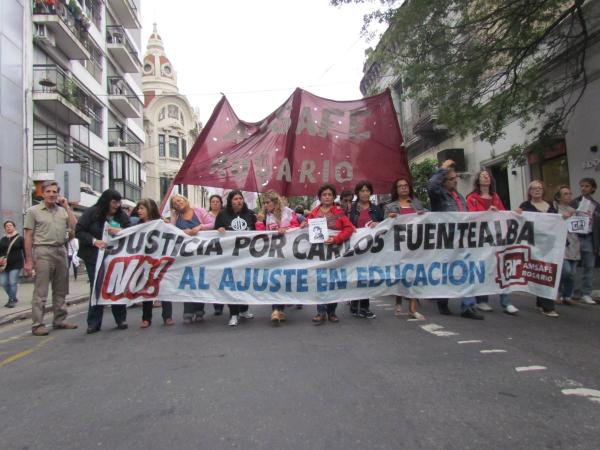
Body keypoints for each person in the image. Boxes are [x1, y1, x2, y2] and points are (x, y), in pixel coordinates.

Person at [427, 159, 483, 320]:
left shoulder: (458, 196)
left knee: (467, 270)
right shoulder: (439, 196)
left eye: (455, 178)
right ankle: (442, 299)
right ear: (444, 181)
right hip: (446, 240)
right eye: (451, 179)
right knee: (447, 272)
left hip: (463, 238)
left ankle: (468, 306)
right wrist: (442, 169)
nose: (455, 181)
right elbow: (431, 186)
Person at [23, 180, 78, 336]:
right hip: (42, 251)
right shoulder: (33, 211)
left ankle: (60, 319)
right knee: (41, 291)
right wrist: (28, 261)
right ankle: (37, 324)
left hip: (61, 250)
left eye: (55, 192)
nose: (52, 195)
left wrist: (67, 206)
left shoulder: (62, 211)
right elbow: (28, 236)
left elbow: (74, 226)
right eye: (49, 191)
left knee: (61, 289)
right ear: (42, 193)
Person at [76, 189, 130, 333]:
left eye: (119, 202)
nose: (117, 205)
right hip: (94, 256)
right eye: (114, 202)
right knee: (97, 287)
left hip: (115, 256)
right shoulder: (92, 213)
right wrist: (94, 241)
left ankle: (120, 318)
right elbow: (79, 230)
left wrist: (119, 232)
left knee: (116, 286)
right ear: (106, 201)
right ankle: (94, 322)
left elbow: (130, 230)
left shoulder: (121, 216)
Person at [466, 169, 519, 315]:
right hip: (482, 239)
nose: (485, 177)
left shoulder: (495, 197)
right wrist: (486, 212)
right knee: (484, 267)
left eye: (487, 176)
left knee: (502, 268)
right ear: (478, 180)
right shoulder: (472, 198)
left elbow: (502, 213)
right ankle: (482, 300)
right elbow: (471, 216)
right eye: (482, 176)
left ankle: (506, 302)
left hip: (497, 238)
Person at [305, 184, 355, 325]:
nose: (327, 197)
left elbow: (349, 228)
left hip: (335, 252)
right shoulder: (314, 213)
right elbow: (306, 227)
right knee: (320, 281)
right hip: (318, 254)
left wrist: (336, 239)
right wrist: (304, 225)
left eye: (329, 194)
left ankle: (331, 312)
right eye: (324, 194)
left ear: (334, 197)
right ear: (320, 197)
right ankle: (320, 312)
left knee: (333, 281)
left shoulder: (339, 212)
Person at [384, 177, 426, 320]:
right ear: (396, 190)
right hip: (398, 246)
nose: (403, 188)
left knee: (413, 275)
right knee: (400, 276)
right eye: (400, 186)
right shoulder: (390, 207)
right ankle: (398, 301)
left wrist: (424, 215)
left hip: (415, 246)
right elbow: (384, 226)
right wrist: (390, 218)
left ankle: (412, 309)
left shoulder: (417, 204)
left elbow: (430, 219)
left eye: (405, 185)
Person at [256, 191, 300, 324]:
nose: (265, 205)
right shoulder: (265, 215)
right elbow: (259, 234)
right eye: (264, 203)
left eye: (267, 202)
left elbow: (297, 226)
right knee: (273, 279)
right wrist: (259, 221)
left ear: (275, 202)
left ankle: (280, 308)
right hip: (272, 251)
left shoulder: (288, 212)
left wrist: (286, 229)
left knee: (284, 279)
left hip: (287, 252)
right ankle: (275, 309)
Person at [517, 180, 559, 317]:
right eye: (534, 188)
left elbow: (557, 221)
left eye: (539, 188)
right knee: (541, 272)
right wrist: (516, 213)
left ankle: (541, 302)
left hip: (549, 245)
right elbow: (518, 220)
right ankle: (548, 306)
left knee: (547, 271)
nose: (537, 190)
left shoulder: (551, 205)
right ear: (529, 192)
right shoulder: (525, 206)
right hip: (533, 245)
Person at [215, 190, 257, 326]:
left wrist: (261, 221)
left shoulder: (250, 214)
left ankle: (244, 309)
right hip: (230, 257)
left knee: (244, 283)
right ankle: (233, 313)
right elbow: (214, 231)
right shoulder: (222, 215)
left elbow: (259, 232)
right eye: (235, 199)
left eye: (240, 198)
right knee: (232, 284)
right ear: (230, 201)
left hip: (246, 256)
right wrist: (219, 229)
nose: (239, 201)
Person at [170, 194, 211, 324]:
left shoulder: (199, 211)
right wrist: (182, 231)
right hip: (185, 256)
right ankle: (188, 311)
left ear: (185, 200)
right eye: (175, 203)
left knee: (200, 281)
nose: (177, 203)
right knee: (187, 282)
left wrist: (200, 227)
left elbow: (212, 223)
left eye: (179, 200)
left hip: (201, 254)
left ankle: (199, 311)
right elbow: (171, 231)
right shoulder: (176, 217)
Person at [348, 180, 383, 319]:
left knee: (367, 277)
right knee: (355, 276)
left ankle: (364, 307)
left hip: (371, 249)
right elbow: (345, 224)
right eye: (362, 190)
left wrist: (378, 223)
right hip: (355, 248)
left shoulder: (376, 209)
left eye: (367, 190)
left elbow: (385, 225)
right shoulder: (351, 209)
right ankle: (354, 302)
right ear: (357, 193)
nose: (365, 193)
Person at [137, 198, 174, 328]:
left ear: (150, 209)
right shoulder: (137, 225)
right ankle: (146, 318)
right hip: (145, 262)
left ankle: (167, 316)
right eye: (139, 208)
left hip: (161, 261)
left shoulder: (162, 224)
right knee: (146, 289)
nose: (139, 211)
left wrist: (168, 225)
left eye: (142, 208)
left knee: (164, 287)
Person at [570, 178, 600, 305]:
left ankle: (586, 293)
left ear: (593, 188)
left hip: (589, 237)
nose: (583, 188)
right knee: (573, 267)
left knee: (589, 266)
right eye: (581, 186)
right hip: (575, 237)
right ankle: (572, 292)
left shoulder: (596, 206)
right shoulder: (574, 202)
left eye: (586, 186)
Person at [554, 186, 579, 305]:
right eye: (565, 194)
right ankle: (557, 291)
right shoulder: (555, 210)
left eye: (569, 193)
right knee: (566, 271)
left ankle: (567, 295)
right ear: (559, 197)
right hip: (562, 244)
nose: (568, 196)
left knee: (572, 273)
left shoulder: (575, 211)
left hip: (574, 243)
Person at [203, 195, 226, 316]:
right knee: (214, 277)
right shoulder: (206, 216)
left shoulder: (225, 215)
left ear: (221, 203)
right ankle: (217, 305)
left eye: (217, 201)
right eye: (213, 201)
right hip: (212, 250)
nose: (215, 203)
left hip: (225, 250)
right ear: (210, 203)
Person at [0, 221, 24, 308]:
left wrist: (28, 262)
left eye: (10, 225)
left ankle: (11, 300)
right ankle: (13, 297)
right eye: (6, 226)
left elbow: (25, 251)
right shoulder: (3, 239)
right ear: (5, 228)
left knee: (12, 281)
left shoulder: (20, 238)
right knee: (3, 283)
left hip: (16, 264)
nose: (8, 227)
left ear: (14, 227)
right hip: (4, 265)